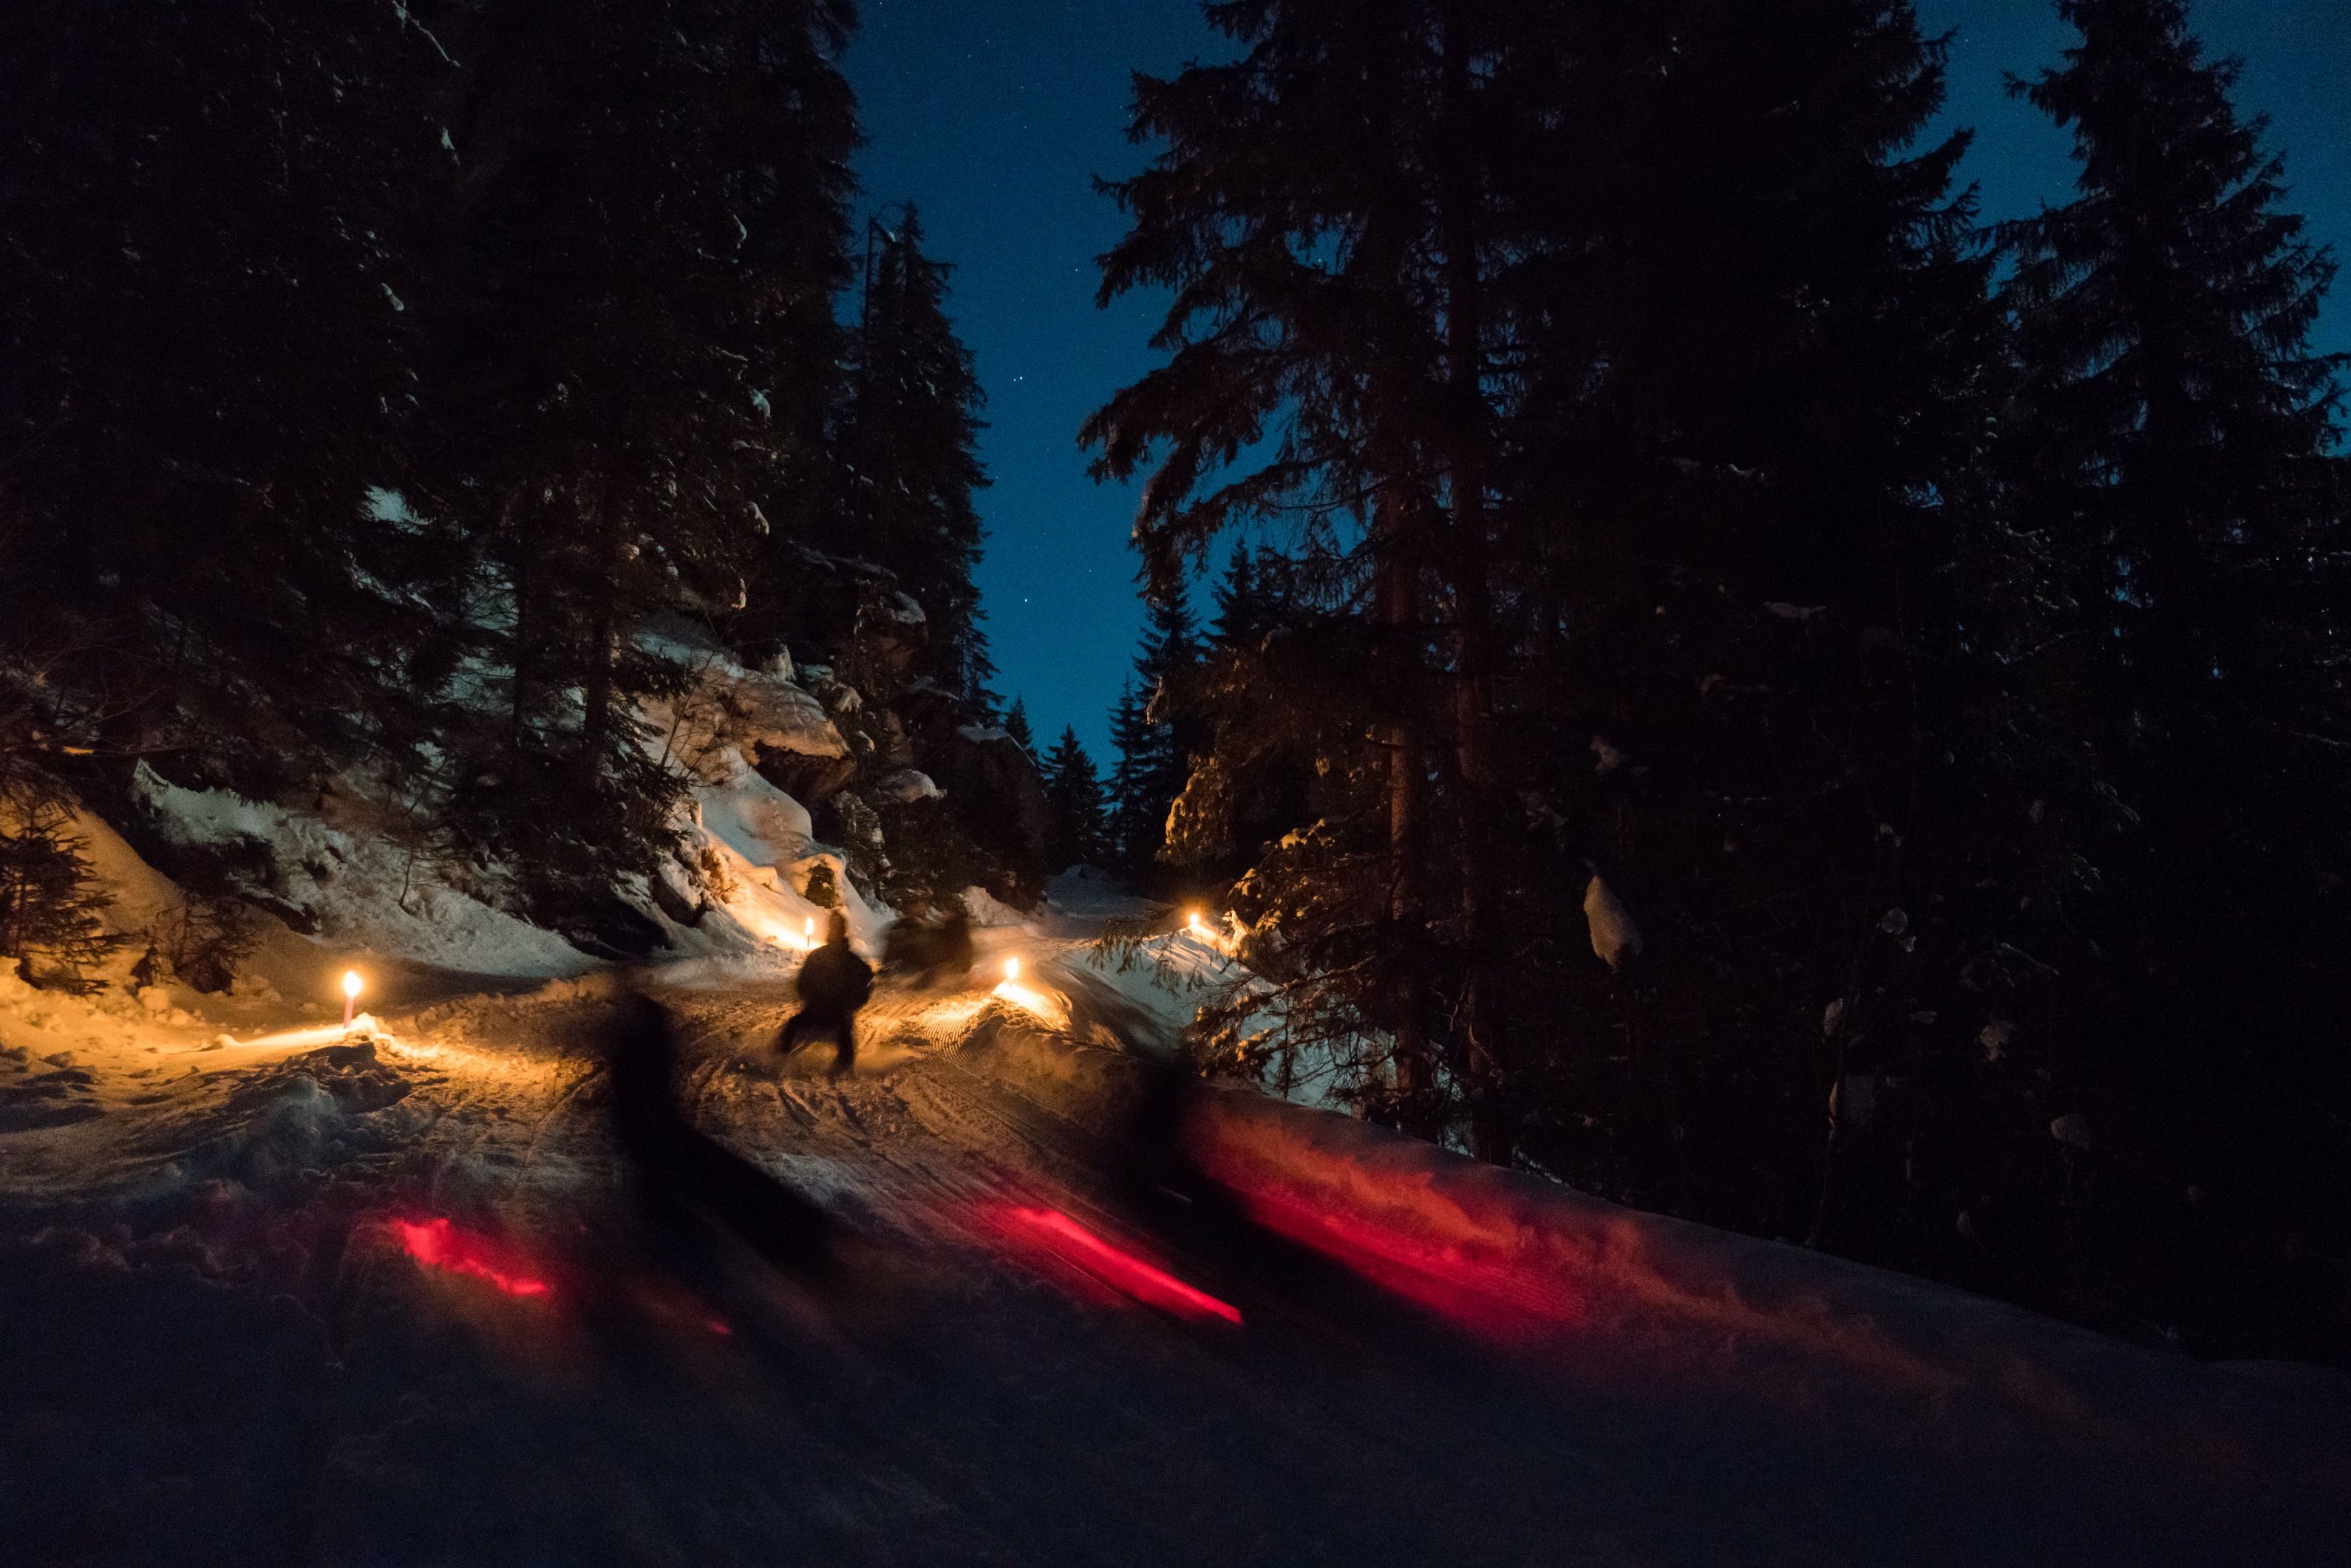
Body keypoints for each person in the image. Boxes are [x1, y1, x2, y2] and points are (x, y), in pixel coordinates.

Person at [778, 910, 873, 1077]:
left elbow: (863, 987)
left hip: (838, 1013)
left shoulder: (853, 962)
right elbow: (803, 982)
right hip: (816, 1010)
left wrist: (852, 1003)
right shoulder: (818, 956)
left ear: (843, 930)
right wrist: (809, 997)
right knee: (792, 1026)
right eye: (834, 928)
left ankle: (841, 1070)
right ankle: (777, 1060)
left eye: (838, 928)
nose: (836, 931)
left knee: (845, 1038)